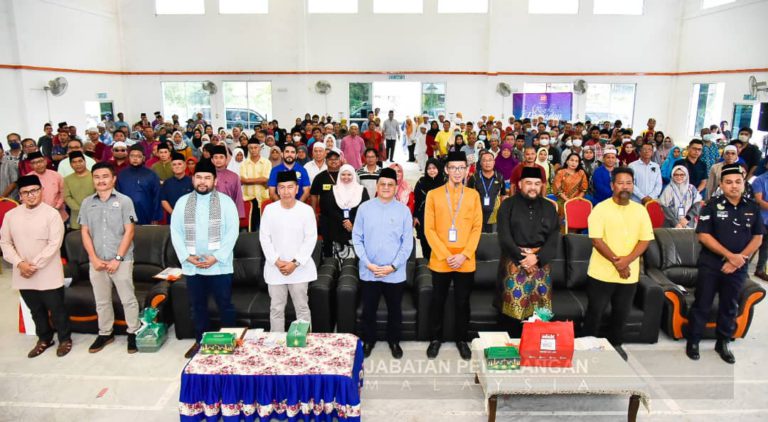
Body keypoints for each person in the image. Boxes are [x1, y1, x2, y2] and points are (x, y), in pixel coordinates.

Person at [686, 164, 764, 364]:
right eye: (729, 182)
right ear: (721, 184)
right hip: (711, 265)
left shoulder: (752, 207)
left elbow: (757, 238)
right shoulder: (711, 205)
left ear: (743, 183)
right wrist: (730, 256)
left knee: (730, 306)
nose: (734, 186)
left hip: (738, 267)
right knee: (702, 302)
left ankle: (723, 342)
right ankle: (693, 341)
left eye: (738, 182)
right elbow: (703, 236)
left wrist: (739, 260)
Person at [170, 158, 240, 358]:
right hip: (193, 266)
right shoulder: (182, 203)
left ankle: (230, 341)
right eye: (199, 177)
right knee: (197, 307)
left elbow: (232, 232)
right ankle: (200, 342)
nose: (202, 181)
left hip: (219, 266)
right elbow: (176, 232)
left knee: (225, 305)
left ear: (215, 181)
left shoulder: (226, 203)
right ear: (193, 180)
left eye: (207, 178)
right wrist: (187, 257)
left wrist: (216, 257)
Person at [583, 167, 654, 360]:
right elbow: (596, 240)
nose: (625, 187)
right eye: (621, 183)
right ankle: (587, 345)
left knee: (621, 313)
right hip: (601, 273)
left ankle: (616, 344)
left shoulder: (640, 211)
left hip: (629, 273)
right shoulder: (600, 208)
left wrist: (627, 262)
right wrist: (618, 263)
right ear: (612, 185)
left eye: (629, 183)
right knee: (595, 312)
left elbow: (645, 240)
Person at [1, 175, 71, 358]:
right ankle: (44, 338)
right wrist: (20, 264)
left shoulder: (51, 214)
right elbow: (5, 243)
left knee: (57, 309)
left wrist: (33, 265)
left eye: (34, 191)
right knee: (36, 310)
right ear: (20, 195)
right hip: (23, 272)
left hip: (47, 270)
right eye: (26, 192)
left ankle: (65, 339)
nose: (30, 195)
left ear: (41, 191)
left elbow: (55, 243)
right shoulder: (11, 216)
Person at [424, 151, 483, 360]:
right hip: (441, 259)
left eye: (461, 168)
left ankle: (461, 339)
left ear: (466, 170)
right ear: (446, 170)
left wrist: (464, 254)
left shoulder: (474, 195)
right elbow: (428, 229)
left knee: (462, 302)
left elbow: (477, 228)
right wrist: (445, 254)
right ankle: (435, 338)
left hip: (465, 260)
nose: (457, 172)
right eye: (453, 168)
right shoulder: (434, 195)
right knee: (438, 300)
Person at [79, 162, 141, 354]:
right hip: (97, 261)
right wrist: (94, 259)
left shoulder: (124, 201)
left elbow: (129, 232)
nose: (101, 180)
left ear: (113, 179)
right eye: (96, 177)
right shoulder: (87, 203)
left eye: (105, 176)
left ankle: (133, 332)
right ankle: (105, 333)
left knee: (128, 299)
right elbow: (85, 232)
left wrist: (117, 258)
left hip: (121, 260)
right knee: (102, 300)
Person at [352, 167, 413, 359]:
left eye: (390, 184)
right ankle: (368, 340)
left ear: (396, 187)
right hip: (369, 271)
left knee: (395, 310)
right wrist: (368, 263)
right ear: (376, 186)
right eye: (382, 184)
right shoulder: (364, 208)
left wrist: (393, 266)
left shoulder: (403, 211)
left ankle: (394, 341)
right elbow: (357, 238)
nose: (386, 187)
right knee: (368, 309)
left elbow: (407, 243)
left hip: (394, 273)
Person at [495, 167, 560, 337]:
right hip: (514, 262)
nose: (533, 187)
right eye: (529, 183)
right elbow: (504, 237)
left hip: (541, 264)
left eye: (537, 184)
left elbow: (554, 237)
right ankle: (513, 346)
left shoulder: (549, 207)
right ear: (519, 184)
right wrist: (522, 259)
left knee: (540, 312)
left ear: (542, 186)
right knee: (512, 311)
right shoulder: (508, 205)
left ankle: (534, 348)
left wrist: (537, 259)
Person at [259, 171, 318, 332]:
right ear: (277, 189)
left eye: (290, 187)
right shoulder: (270, 210)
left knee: (302, 309)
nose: (286, 191)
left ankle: (303, 342)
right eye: (282, 187)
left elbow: (310, 239)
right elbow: (264, 238)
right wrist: (277, 261)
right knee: (276, 309)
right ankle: (277, 344)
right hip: (275, 267)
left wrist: (294, 263)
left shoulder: (306, 210)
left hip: (299, 268)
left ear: (297, 188)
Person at [116, 145, 162, 225]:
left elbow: (157, 196)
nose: (135, 158)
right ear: (128, 157)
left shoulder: (151, 174)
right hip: (127, 213)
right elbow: (117, 195)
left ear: (143, 158)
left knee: (145, 236)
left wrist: (155, 216)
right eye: (132, 156)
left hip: (146, 213)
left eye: (138, 156)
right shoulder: (122, 174)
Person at [310, 150, 343, 257]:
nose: (333, 161)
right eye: (330, 159)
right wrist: (314, 212)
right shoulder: (320, 177)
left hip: (343, 215)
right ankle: (328, 264)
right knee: (327, 242)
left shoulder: (346, 175)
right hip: (326, 216)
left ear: (340, 161)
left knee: (342, 242)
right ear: (326, 161)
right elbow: (314, 195)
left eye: (336, 159)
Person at [467, 151, 507, 233]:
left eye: (490, 160)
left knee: (493, 241)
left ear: (494, 162)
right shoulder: (474, 178)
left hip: (495, 217)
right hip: (477, 216)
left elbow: (503, 195)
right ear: (480, 163)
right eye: (484, 160)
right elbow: (468, 197)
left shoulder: (499, 177)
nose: (487, 163)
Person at [414, 159, 444, 259]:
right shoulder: (421, 182)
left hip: (441, 219)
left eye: (434, 168)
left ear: (439, 169)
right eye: (429, 168)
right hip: (424, 218)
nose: (432, 171)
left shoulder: (445, 182)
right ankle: (427, 269)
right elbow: (416, 201)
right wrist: (415, 216)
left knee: (439, 246)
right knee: (426, 245)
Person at [239, 140, 271, 231]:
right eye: (251, 148)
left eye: (255, 147)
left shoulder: (266, 162)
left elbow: (266, 179)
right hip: (249, 199)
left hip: (263, 198)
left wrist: (249, 180)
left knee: (264, 228)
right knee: (251, 229)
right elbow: (243, 180)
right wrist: (259, 180)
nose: (253, 150)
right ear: (248, 149)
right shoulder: (244, 163)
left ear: (260, 148)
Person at [26, 151, 67, 221]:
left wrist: (57, 207)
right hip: (37, 216)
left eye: (40, 161)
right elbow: (24, 198)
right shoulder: (26, 179)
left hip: (58, 213)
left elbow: (63, 192)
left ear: (45, 161)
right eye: (34, 163)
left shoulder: (56, 175)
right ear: (31, 165)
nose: (38, 164)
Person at [209, 145, 245, 219]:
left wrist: (238, 216)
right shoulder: (206, 176)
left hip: (228, 213)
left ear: (226, 159)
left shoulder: (234, 176)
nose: (218, 160)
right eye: (215, 157)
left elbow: (238, 197)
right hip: (209, 213)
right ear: (212, 160)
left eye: (221, 157)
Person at [63, 152, 95, 230]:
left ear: (85, 162)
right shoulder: (67, 179)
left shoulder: (94, 176)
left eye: (80, 161)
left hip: (95, 215)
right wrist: (80, 210)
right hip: (76, 219)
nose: (78, 164)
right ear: (70, 165)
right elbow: (67, 197)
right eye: (74, 162)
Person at [552, 153, 589, 218]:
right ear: (567, 161)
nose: (574, 163)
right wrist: (568, 200)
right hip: (562, 201)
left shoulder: (581, 173)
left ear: (578, 163)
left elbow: (583, 190)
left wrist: (577, 199)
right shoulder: (560, 172)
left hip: (577, 201)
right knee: (563, 221)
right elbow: (557, 189)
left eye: (576, 161)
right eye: (572, 160)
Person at [160, 152, 194, 218]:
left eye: (179, 164)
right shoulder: (167, 183)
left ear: (185, 166)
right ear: (171, 167)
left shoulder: (192, 182)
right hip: (172, 217)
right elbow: (163, 200)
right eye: (174, 164)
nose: (177, 166)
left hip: (189, 218)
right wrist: (174, 214)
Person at [751, 166, 768, 282]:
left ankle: (760, 270)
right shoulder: (759, 180)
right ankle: (740, 267)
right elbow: (759, 200)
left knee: (766, 247)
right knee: (752, 243)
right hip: (760, 218)